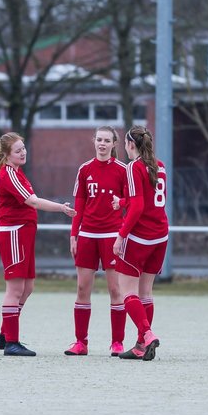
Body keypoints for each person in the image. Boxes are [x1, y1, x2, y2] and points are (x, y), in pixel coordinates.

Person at [0, 132, 76, 356]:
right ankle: (11, 343)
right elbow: (33, 201)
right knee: (15, 288)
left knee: (28, 288)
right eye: (18, 150)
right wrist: (61, 208)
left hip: (24, 235)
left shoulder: (18, 173)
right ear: (7, 155)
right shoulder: (8, 174)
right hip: (13, 235)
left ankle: (4, 334)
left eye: (23, 148)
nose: (23, 152)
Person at [66, 126, 130, 356]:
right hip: (87, 235)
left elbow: (131, 203)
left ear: (115, 144)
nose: (102, 144)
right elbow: (79, 205)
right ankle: (80, 342)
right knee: (83, 288)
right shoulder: (84, 170)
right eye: (99, 140)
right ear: (94, 141)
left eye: (107, 140)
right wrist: (74, 234)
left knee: (115, 289)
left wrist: (122, 233)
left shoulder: (123, 170)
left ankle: (117, 343)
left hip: (112, 235)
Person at [111, 125, 167, 361]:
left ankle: (147, 334)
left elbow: (138, 207)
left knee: (128, 292)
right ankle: (139, 345)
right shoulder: (160, 165)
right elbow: (147, 198)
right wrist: (123, 201)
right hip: (161, 235)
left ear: (130, 145)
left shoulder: (133, 167)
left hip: (140, 237)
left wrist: (121, 235)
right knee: (146, 292)